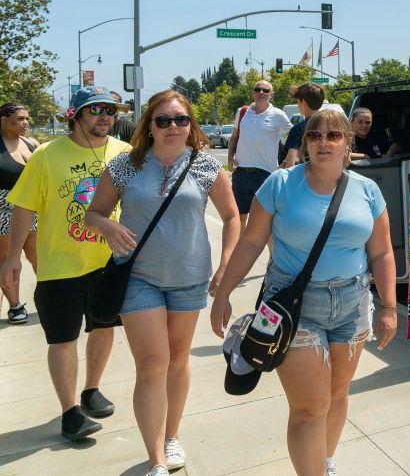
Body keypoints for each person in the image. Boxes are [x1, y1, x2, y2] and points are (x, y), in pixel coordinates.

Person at [211, 109, 397, 476]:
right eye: (315, 136)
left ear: (347, 142)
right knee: (310, 407)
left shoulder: (367, 190)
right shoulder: (281, 184)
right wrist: (224, 292)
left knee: (337, 394)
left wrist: (388, 306)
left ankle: (323, 464)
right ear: (304, 142)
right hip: (292, 307)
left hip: (352, 304)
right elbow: (251, 241)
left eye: (333, 135)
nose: (323, 142)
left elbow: (382, 251)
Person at [85, 90, 240, 476]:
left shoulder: (206, 167)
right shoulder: (125, 166)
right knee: (152, 365)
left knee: (177, 360)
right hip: (138, 276)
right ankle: (156, 457)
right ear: (149, 126)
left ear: (191, 125)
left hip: (189, 279)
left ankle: (172, 436)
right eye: (164, 120)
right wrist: (107, 226)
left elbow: (233, 217)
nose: (173, 127)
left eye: (181, 120)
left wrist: (224, 267)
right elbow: (94, 213)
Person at [0, 87, 131, 441]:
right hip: (59, 265)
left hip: (109, 263)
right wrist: (13, 257)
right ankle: (70, 411)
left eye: (110, 110)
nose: (105, 116)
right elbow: (24, 206)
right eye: (95, 110)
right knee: (63, 339)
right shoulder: (46, 156)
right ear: (75, 114)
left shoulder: (126, 154)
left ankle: (92, 389)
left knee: (104, 328)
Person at [226, 80, 290, 239]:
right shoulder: (242, 112)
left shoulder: (278, 115)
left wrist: (285, 163)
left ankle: (273, 258)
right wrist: (230, 158)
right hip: (241, 173)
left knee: (266, 220)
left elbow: (294, 138)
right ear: (253, 93)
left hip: (265, 175)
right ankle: (237, 254)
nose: (261, 92)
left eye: (266, 90)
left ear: (271, 94)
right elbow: (234, 137)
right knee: (239, 216)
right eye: (258, 89)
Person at [0, 102, 39, 324]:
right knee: (7, 258)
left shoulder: (31, 143)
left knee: (39, 256)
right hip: (4, 211)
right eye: (20, 119)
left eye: (27, 119)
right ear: (3, 119)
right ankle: (15, 306)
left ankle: (49, 298)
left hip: (33, 208)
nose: (25, 123)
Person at [281, 82, 325, 169]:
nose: (298, 105)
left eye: (298, 101)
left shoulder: (298, 129)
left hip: (309, 176)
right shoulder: (331, 124)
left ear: (303, 103)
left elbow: (291, 162)